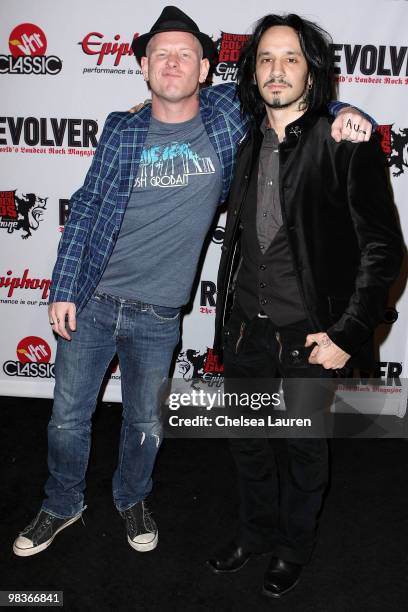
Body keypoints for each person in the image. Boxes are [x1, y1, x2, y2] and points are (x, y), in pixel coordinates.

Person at [13, 6, 374, 558]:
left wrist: (345, 108)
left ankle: (133, 498)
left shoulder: (230, 118)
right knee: (66, 415)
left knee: (144, 420)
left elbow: (291, 92)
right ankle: (62, 503)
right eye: (160, 54)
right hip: (93, 298)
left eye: (185, 53)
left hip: (160, 312)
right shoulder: (121, 127)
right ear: (143, 67)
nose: (172, 63)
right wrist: (63, 284)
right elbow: (85, 208)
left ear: (206, 69)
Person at [207, 13, 403, 598]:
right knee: (246, 442)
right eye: (266, 58)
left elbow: (384, 249)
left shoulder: (345, 141)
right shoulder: (246, 138)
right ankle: (253, 532)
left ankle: (293, 547)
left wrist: (347, 332)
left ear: (313, 72)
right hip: (245, 331)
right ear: (253, 70)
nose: (277, 69)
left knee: (302, 449)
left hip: (309, 338)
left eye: (292, 58)